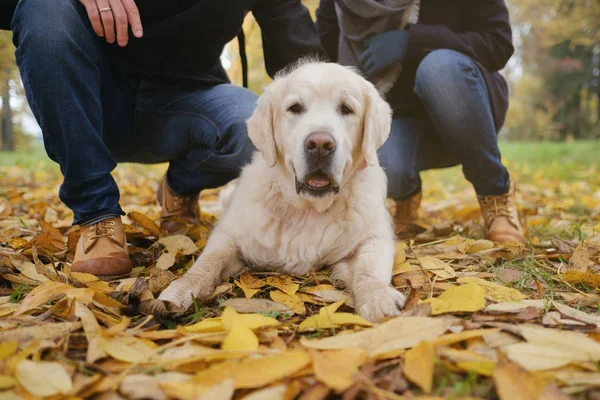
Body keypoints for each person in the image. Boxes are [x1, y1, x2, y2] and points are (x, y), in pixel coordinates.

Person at [1, 0, 325, 277]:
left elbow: (303, 64)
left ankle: (179, 189)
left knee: (249, 125)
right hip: (92, 105)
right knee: (44, 8)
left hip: (186, 106)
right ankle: (96, 214)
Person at [316, 0, 526, 243]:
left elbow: (498, 44)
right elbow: (323, 59)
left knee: (439, 68)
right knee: (382, 158)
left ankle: (495, 195)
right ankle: (405, 195)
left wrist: (412, 42)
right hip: (398, 117)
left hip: (465, 105)